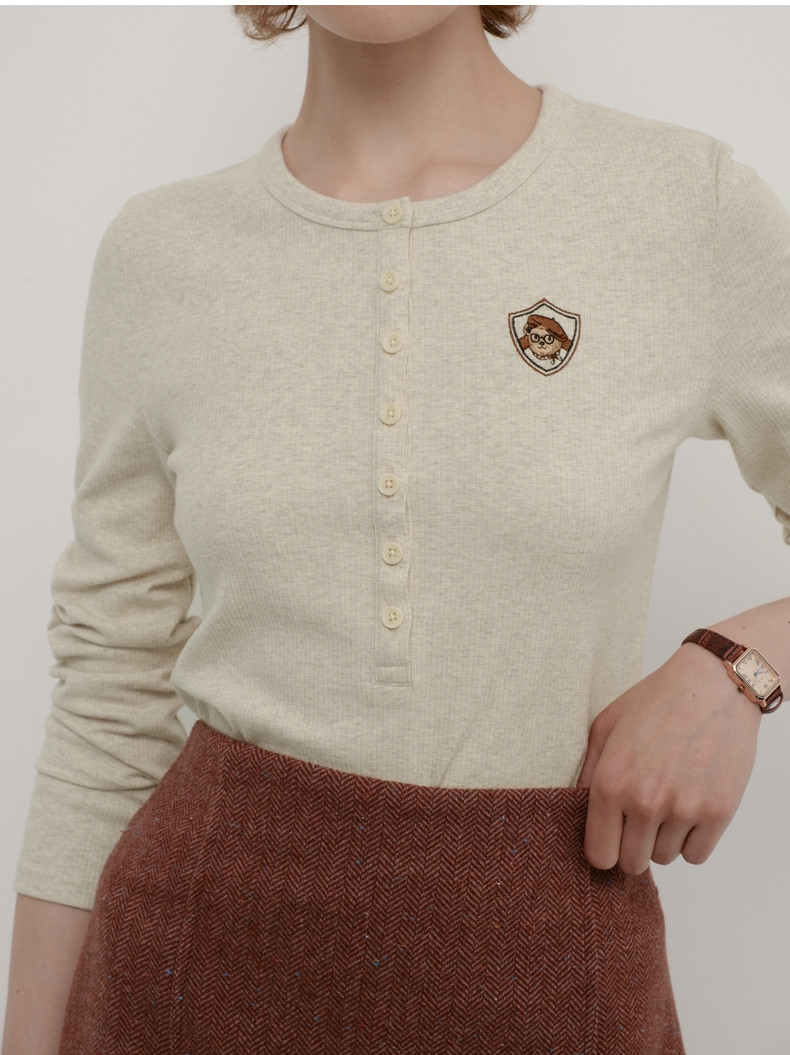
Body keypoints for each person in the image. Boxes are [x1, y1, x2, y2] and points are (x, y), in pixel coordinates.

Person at [3, 5, 789, 1053]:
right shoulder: (163, 251)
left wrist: (740, 664)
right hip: (188, 968)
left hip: (551, 972)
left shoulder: (681, 203)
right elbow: (109, 690)